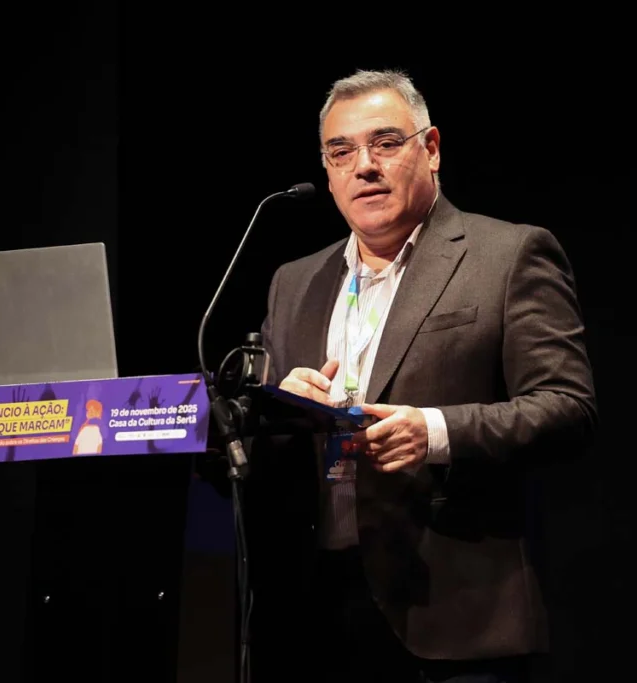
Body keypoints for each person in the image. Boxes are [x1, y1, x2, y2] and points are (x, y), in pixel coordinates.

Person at [244, 69, 597, 683]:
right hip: (315, 611)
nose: (364, 166)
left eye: (385, 143)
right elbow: (257, 448)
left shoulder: (508, 255)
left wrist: (434, 432)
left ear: (430, 149)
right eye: (341, 152)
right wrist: (281, 411)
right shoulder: (293, 281)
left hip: (453, 612)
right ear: (327, 169)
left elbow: (568, 408)